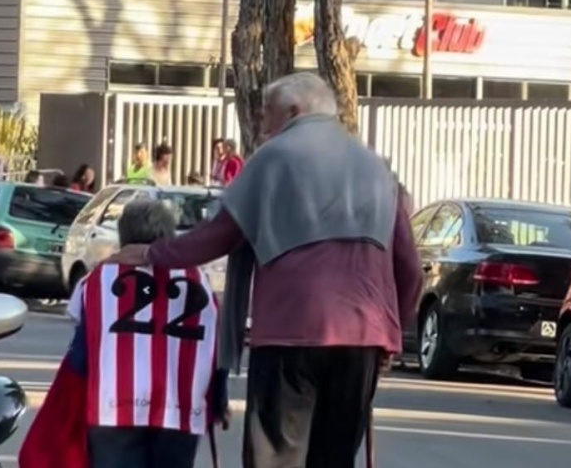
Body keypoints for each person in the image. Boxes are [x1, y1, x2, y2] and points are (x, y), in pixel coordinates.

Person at [107, 72, 423, 468]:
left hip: (291, 332)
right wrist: (390, 335)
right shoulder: (376, 168)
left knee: (276, 457)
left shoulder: (273, 157)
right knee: (335, 457)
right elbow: (410, 269)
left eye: (265, 112)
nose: (260, 122)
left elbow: (218, 236)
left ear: (294, 111)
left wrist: (151, 254)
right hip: (362, 338)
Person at [62, 199, 229, 468]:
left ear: (124, 233)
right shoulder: (198, 280)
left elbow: (81, 355)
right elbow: (215, 347)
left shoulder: (97, 280)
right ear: (169, 234)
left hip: (114, 406)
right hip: (181, 406)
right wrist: (219, 399)